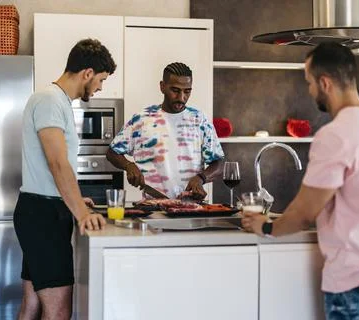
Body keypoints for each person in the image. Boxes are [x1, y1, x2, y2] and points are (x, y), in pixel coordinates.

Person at [242, 42, 359, 320]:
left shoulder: (336, 135)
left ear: (325, 83)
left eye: (309, 82)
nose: (310, 89)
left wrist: (265, 226)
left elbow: (303, 214)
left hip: (358, 278)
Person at [13, 38, 116, 320]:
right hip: (42, 216)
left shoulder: (55, 101)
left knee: (32, 305)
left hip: (41, 209)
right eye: (101, 80)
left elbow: (57, 166)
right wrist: (82, 213)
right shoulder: (49, 100)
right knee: (58, 311)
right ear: (87, 73)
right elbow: (57, 163)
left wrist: (70, 200)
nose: (100, 87)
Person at [107, 62, 224, 199]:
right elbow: (112, 152)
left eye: (187, 91)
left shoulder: (199, 120)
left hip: (192, 208)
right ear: (162, 87)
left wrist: (201, 178)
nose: (181, 98)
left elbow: (219, 163)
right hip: (153, 208)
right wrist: (128, 165)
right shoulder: (142, 119)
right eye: (175, 90)